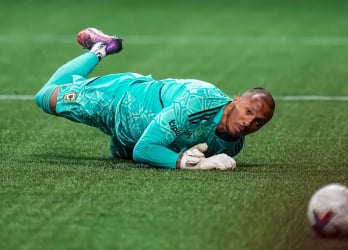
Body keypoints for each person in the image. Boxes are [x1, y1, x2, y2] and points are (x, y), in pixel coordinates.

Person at [35, 28, 275, 170]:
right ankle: (100, 47)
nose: (249, 122)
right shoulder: (197, 101)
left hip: (130, 134)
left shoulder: (232, 146)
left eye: (258, 121)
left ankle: (121, 140)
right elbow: (145, 149)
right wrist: (191, 163)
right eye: (249, 111)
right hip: (117, 99)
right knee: (45, 97)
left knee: (122, 155)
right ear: (235, 100)